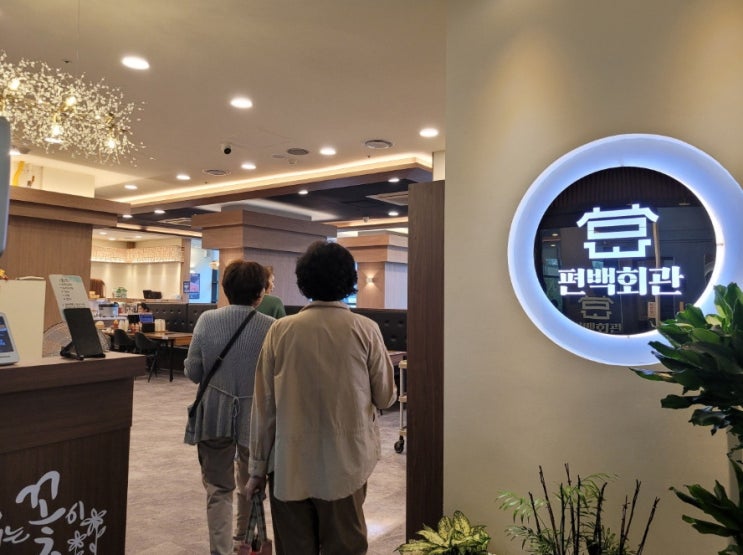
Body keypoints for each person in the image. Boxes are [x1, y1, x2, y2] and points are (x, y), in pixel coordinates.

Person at [245, 240, 396, 555]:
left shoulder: (280, 331)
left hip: (289, 466)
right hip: (346, 465)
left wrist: (257, 469)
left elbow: (264, 407)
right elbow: (385, 398)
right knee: (346, 547)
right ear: (349, 280)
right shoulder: (365, 329)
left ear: (304, 282)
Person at [184, 260, 275, 555]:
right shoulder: (271, 327)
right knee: (251, 484)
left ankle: (221, 550)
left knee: (217, 489)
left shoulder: (206, 320)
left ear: (225, 289)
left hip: (213, 415)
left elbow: (194, 373)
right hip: (256, 419)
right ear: (260, 293)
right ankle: (242, 541)